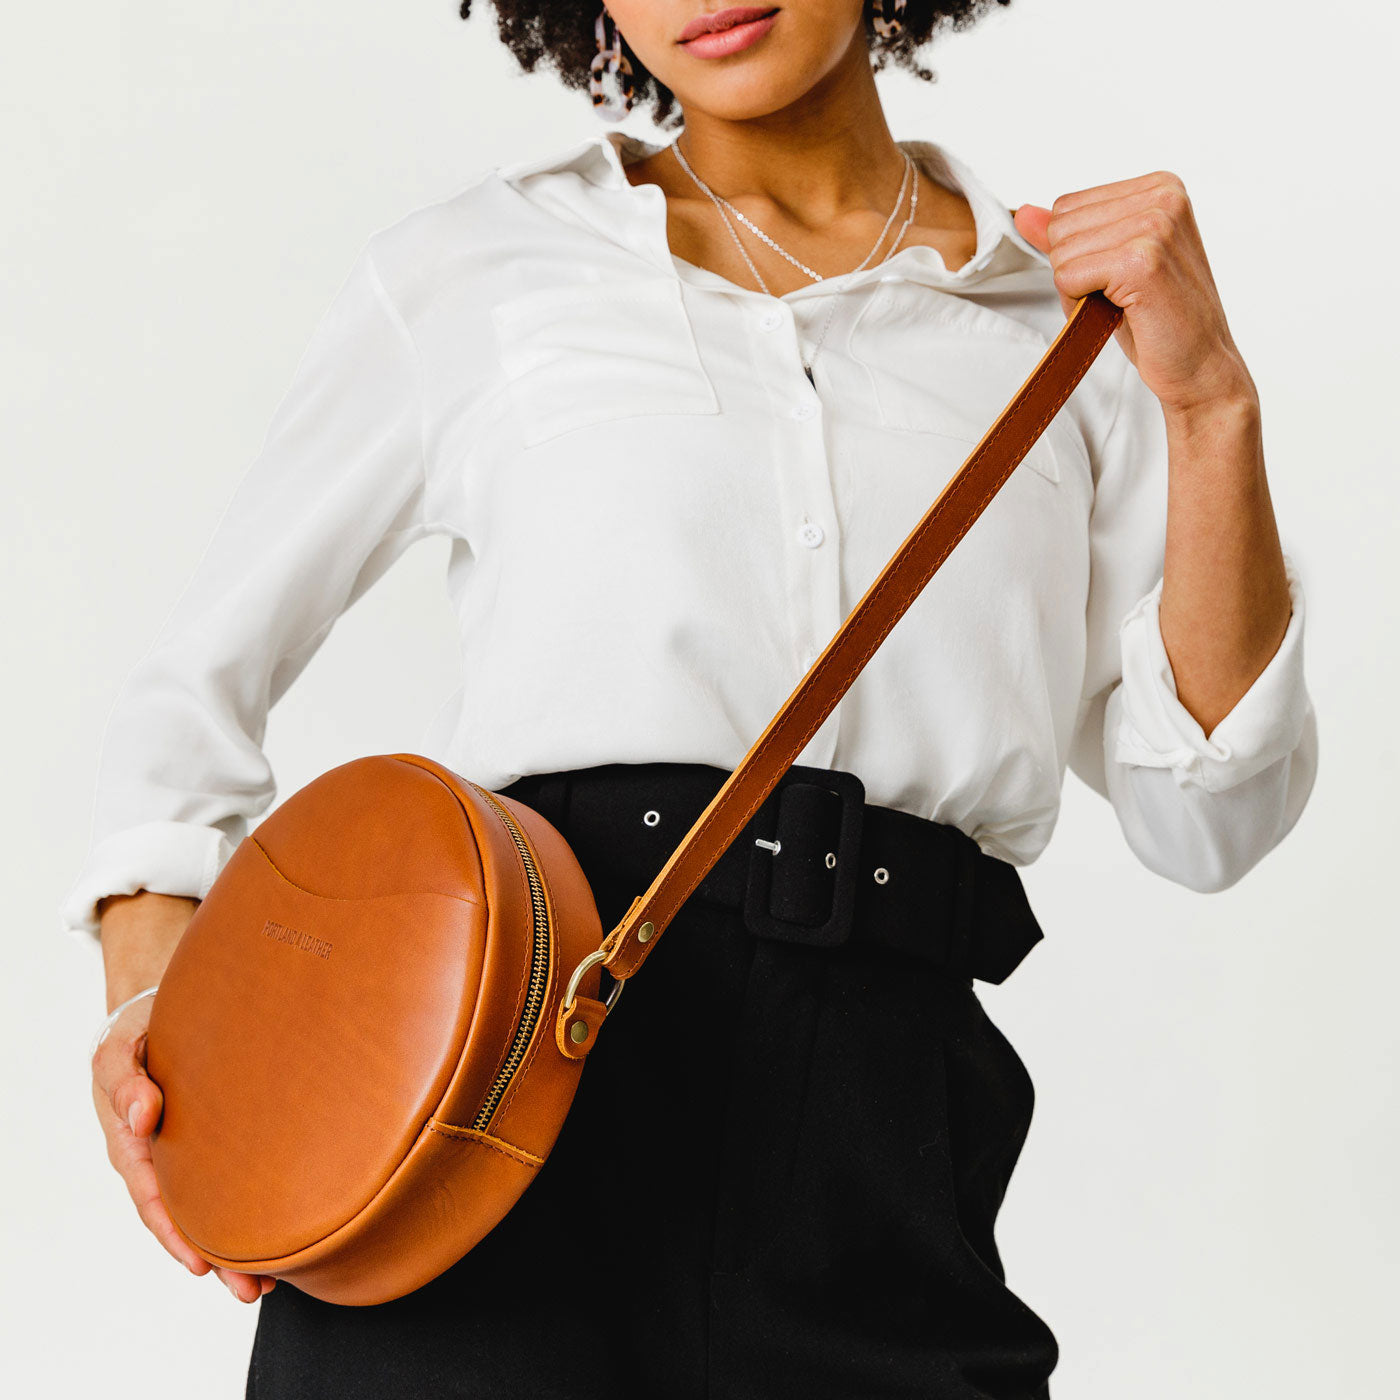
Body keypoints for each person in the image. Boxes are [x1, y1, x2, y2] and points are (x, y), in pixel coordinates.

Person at [66, 3, 1319, 1397]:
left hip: (884, 1162)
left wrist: (1211, 402)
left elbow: (1209, 818)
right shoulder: (479, 272)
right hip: (495, 1120)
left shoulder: (1074, 323)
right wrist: (149, 1010)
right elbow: (187, 701)